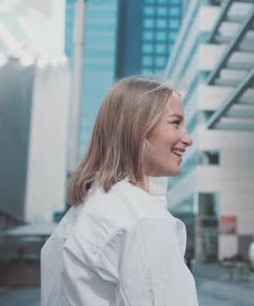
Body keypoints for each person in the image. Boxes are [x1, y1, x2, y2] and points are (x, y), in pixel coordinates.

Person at [41, 77, 197, 306]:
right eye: (175, 123)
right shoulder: (144, 221)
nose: (188, 139)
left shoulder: (80, 214)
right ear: (138, 128)